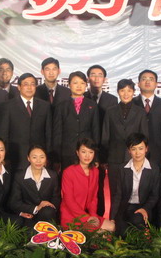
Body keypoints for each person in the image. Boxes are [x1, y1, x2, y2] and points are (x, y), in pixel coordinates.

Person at [101, 79, 149, 212]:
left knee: (133, 193)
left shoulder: (140, 112)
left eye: (129, 90)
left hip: (134, 159)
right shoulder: (110, 111)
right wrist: (105, 158)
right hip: (114, 159)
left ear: (134, 92)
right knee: (115, 193)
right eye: (122, 90)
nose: (126, 94)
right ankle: (114, 221)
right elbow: (105, 137)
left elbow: (144, 137)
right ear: (118, 92)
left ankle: (132, 221)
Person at [0, 73, 52, 172]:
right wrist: (5, 157)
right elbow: (3, 134)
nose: (29, 87)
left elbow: (48, 134)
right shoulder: (8, 106)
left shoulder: (45, 106)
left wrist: (47, 156)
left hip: (39, 159)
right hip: (15, 158)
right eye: (26, 84)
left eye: (32, 84)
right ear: (19, 87)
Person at [60, 138, 115, 232]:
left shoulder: (95, 171)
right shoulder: (68, 172)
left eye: (91, 152)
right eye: (83, 152)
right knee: (100, 234)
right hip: (72, 216)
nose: (87, 155)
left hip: (89, 215)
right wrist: (86, 217)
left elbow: (94, 198)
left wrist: (93, 215)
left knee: (112, 227)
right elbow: (69, 200)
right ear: (77, 153)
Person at [110, 133, 160, 236]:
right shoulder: (122, 168)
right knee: (121, 232)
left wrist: (145, 208)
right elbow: (118, 195)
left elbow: (154, 195)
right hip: (125, 207)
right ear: (129, 150)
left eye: (141, 148)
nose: (137, 153)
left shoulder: (154, 169)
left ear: (146, 149)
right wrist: (112, 217)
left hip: (143, 207)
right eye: (133, 149)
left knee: (136, 222)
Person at [86, 64, 118, 216]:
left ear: (104, 79)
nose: (96, 78)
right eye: (93, 74)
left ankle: (99, 216)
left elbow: (112, 128)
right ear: (88, 78)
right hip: (85, 148)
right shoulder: (82, 97)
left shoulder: (112, 100)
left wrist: (105, 155)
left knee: (99, 184)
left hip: (103, 149)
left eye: (100, 75)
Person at [53, 71, 100, 170]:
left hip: (87, 154)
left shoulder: (92, 105)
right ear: (69, 84)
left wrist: (96, 156)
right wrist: (56, 158)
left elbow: (95, 131)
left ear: (86, 85)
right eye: (75, 83)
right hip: (67, 153)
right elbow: (57, 133)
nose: (79, 86)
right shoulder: (61, 106)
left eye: (82, 83)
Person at [9, 145, 61, 226]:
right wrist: (36, 208)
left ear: (46, 158)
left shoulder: (53, 175)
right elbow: (14, 202)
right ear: (28, 158)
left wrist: (49, 206)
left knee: (48, 212)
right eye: (34, 157)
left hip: (47, 215)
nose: (38, 161)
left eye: (42, 157)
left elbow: (56, 198)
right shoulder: (19, 176)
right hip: (28, 215)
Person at [133, 69, 161, 171]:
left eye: (151, 79)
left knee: (156, 179)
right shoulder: (131, 103)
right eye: (144, 79)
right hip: (135, 152)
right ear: (138, 84)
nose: (147, 82)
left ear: (156, 84)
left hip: (158, 154)